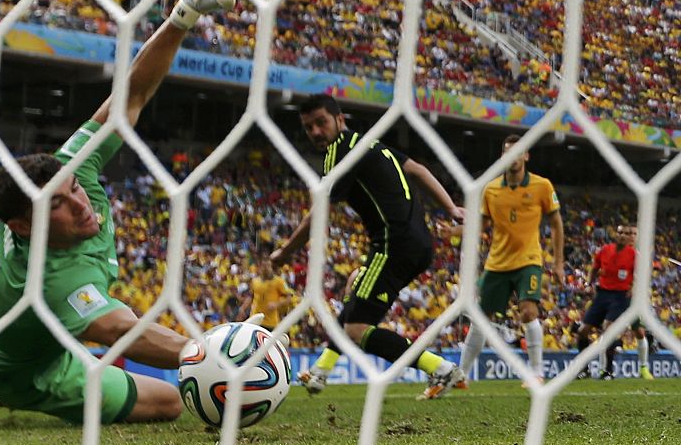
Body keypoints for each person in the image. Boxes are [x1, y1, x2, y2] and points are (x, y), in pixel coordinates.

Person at [0, 0, 258, 425]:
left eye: (74, 188)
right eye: (58, 204)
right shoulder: (52, 281)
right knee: (168, 403)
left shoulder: (68, 168)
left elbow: (131, 96)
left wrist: (182, 16)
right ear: (23, 227)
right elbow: (121, 330)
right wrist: (223, 352)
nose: (80, 204)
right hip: (20, 371)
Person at [270, 94, 467, 400]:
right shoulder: (369, 143)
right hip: (416, 242)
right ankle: (321, 370)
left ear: (339, 119)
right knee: (355, 286)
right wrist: (450, 207)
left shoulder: (340, 151)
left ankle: (441, 368)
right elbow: (417, 169)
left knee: (357, 329)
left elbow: (319, 213)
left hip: (393, 244)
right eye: (309, 127)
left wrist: (285, 253)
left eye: (321, 122)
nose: (316, 132)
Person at [442, 134, 565, 385]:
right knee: (480, 320)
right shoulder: (491, 189)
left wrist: (559, 262)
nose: (513, 157)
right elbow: (481, 225)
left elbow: (556, 223)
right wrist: (454, 231)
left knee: (528, 312)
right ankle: (461, 375)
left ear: (526, 156)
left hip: (528, 260)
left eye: (518, 152)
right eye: (508, 152)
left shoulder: (542, 186)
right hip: (497, 263)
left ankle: (537, 373)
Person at [576, 224, 653, 380]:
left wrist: (636, 289)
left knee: (635, 331)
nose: (625, 236)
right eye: (622, 233)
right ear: (616, 234)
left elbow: (642, 277)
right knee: (583, 330)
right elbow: (594, 268)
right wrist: (588, 283)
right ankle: (587, 369)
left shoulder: (636, 255)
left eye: (630, 233)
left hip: (624, 297)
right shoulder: (605, 250)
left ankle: (639, 367)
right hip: (603, 295)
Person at [239, 259, 292, 331]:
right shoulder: (255, 281)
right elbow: (251, 296)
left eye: (268, 266)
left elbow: (289, 297)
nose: (266, 268)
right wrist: (243, 308)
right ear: (260, 267)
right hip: (255, 319)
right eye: (264, 266)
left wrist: (276, 304)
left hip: (270, 322)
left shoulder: (279, 281)